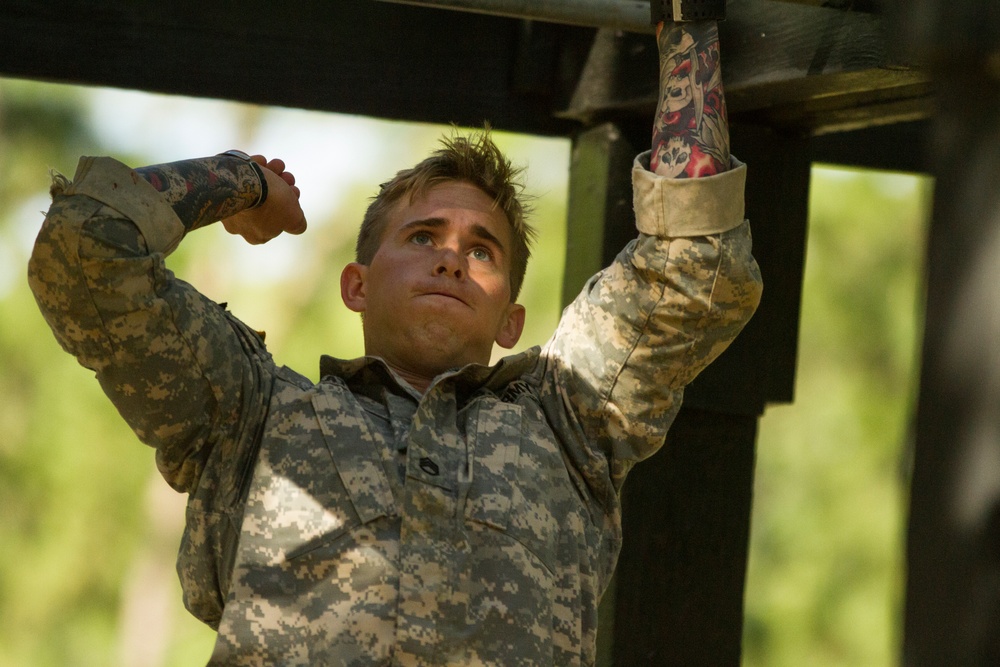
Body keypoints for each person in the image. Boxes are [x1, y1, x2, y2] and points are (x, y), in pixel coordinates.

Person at [28, 12, 760, 667]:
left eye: (482, 250)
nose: (450, 256)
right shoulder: (252, 413)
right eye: (421, 235)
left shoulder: (567, 419)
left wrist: (686, 24)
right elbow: (84, 252)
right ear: (357, 285)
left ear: (511, 318)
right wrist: (241, 181)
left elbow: (692, 271)